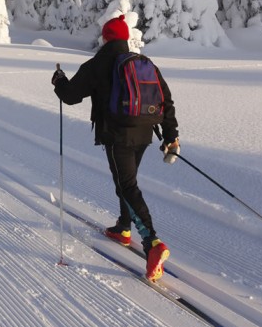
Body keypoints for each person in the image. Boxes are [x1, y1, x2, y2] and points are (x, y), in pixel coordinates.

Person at [51, 15, 180, 282]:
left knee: (126, 186)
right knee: (127, 181)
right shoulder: (144, 63)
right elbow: (166, 101)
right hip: (144, 133)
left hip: (116, 135)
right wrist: (171, 136)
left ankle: (152, 244)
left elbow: (71, 95)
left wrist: (59, 80)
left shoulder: (99, 63)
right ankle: (123, 228)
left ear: (106, 38)